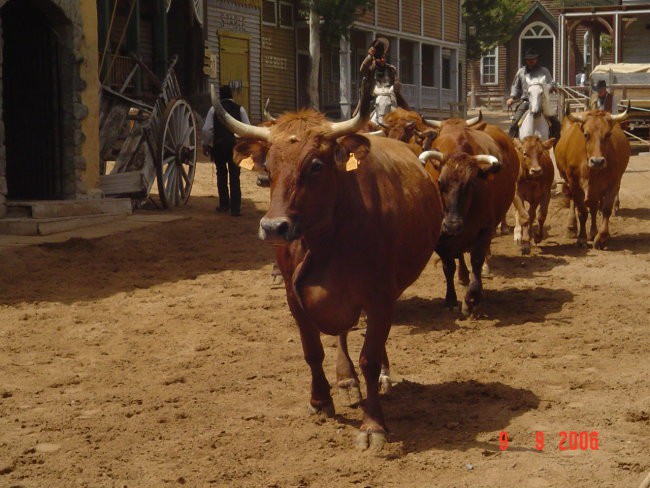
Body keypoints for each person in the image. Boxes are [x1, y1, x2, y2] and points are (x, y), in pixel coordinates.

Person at [202, 85, 250, 216]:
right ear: (232, 95)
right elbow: (247, 128)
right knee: (235, 176)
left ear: (220, 96)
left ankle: (224, 204)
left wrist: (205, 145)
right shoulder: (240, 109)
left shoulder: (213, 110)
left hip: (219, 147)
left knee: (221, 174)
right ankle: (235, 208)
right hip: (235, 148)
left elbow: (207, 130)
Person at [506, 47, 561, 139]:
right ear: (526, 60)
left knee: (555, 122)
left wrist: (547, 88)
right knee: (514, 122)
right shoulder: (521, 72)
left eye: (533, 59)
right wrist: (512, 97)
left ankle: (556, 142)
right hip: (526, 101)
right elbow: (516, 86)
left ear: (536, 59)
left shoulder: (544, 71)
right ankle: (511, 141)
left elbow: (551, 83)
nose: (531, 61)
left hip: (541, 101)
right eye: (528, 59)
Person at [357, 37, 410, 124]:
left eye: (383, 57)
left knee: (403, 113)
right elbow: (362, 69)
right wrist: (369, 56)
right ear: (375, 59)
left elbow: (396, 83)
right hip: (374, 97)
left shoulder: (391, 69)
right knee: (363, 117)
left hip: (390, 96)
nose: (382, 60)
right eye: (379, 58)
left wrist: (397, 85)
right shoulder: (371, 68)